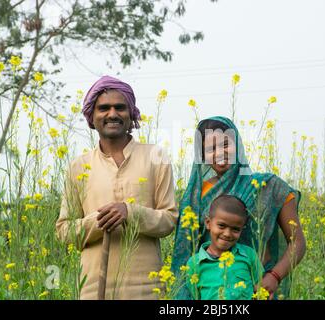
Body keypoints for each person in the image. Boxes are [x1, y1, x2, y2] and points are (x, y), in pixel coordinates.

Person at [56, 75, 178, 299]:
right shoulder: (78, 166)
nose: (112, 114)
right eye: (104, 108)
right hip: (94, 289)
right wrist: (99, 220)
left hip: (147, 289)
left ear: (131, 114)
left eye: (120, 107)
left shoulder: (155, 157)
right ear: (92, 117)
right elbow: (64, 231)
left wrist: (130, 212)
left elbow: (169, 219)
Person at [172, 116, 306, 300]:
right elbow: (185, 253)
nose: (220, 153)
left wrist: (274, 276)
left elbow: (298, 242)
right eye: (211, 148)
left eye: (226, 144)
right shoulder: (194, 196)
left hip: (256, 289)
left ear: (238, 145)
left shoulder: (269, 186)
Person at [186, 194, 264, 300]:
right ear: (208, 223)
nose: (227, 234)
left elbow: (260, 290)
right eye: (221, 226)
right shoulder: (194, 263)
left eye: (235, 229)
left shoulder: (249, 255)